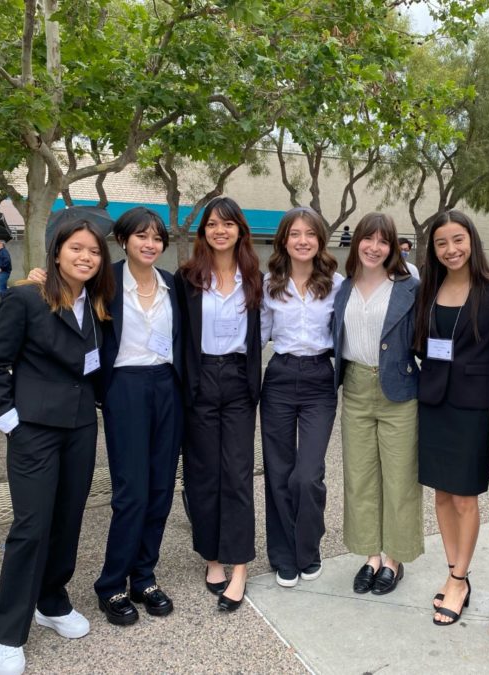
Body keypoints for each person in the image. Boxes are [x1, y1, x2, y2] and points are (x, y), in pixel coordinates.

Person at [0, 219, 114, 675]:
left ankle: (52, 601)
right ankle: (8, 631)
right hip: (33, 429)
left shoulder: (96, 303)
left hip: (79, 426)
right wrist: (10, 421)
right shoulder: (25, 298)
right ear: (56, 252)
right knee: (31, 526)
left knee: (67, 520)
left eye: (94, 252)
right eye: (76, 248)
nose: (86, 258)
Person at [413, 211, 489, 626]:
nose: (451, 250)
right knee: (440, 494)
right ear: (433, 250)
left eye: (458, 240)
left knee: (465, 496)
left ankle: (458, 577)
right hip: (433, 401)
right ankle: (455, 569)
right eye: (441, 243)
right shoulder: (428, 290)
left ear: (472, 240)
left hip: (474, 405)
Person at [93, 208, 185, 626]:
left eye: (157, 238)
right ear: (123, 239)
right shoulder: (104, 280)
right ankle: (111, 584)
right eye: (141, 236)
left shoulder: (172, 284)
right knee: (132, 491)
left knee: (162, 487)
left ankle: (143, 576)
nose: (150, 244)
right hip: (125, 388)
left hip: (167, 386)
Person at [174, 196, 263, 612]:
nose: (220, 230)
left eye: (228, 224)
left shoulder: (254, 277)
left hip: (239, 379)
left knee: (238, 473)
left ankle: (240, 565)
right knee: (204, 473)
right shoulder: (188, 277)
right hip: (201, 380)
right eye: (212, 224)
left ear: (240, 231)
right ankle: (212, 557)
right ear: (203, 232)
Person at [332, 212, 422, 597]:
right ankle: (371, 555)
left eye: (383, 241)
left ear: (393, 248)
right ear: (357, 243)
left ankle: (393, 559)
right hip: (354, 388)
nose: (374, 247)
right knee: (360, 477)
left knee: (400, 477)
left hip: (399, 390)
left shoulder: (408, 286)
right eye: (368, 239)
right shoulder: (342, 288)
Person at [260, 206, 342, 587]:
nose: (303, 240)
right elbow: (258, 334)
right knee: (278, 471)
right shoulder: (268, 283)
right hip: (279, 375)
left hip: (319, 380)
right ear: (284, 240)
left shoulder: (337, 284)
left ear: (320, 240)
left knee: (307, 475)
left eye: (310, 233)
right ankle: (283, 556)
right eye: (295, 234)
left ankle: (308, 549)